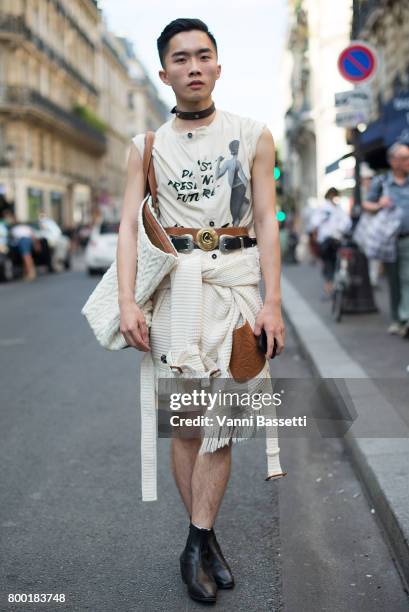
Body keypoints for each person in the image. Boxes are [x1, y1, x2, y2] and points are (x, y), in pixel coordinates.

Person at [116, 18, 286, 604]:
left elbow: (266, 221)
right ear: (164, 74)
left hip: (238, 287)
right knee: (188, 424)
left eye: (203, 56)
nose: (193, 67)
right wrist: (126, 301)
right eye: (181, 59)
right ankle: (205, 540)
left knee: (224, 423)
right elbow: (128, 228)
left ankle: (195, 542)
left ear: (218, 66)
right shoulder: (146, 147)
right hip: (177, 294)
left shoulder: (254, 133)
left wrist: (273, 303)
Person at [362, 142, 409, 337]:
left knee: (407, 278)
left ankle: (405, 318)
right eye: (404, 158)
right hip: (388, 240)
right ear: (393, 161)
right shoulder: (382, 182)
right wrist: (379, 204)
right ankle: (397, 320)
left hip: (407, 238)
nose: (407, 162)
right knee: (394, 281)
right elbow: (366, 204)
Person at [312, 187, 352, 300]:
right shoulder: (324, 209)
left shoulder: (339, 209)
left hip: (337, 240)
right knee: (328, 264)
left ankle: (334, 287)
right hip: (326, 241)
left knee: (337, 264)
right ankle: (329, 288)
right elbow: (315, 222)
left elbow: (346, 223)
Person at [2, 208, 37, 281]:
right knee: (26, 256)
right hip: (24, 240)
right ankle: (28, 272)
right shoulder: (18, 226)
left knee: (26, 256)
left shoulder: (14, 226)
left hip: (23, 240)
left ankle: (30, 273)